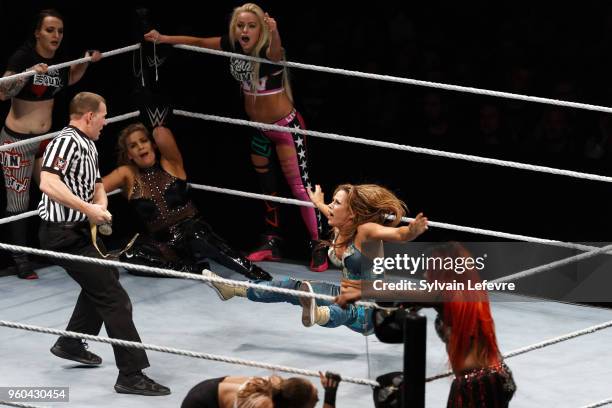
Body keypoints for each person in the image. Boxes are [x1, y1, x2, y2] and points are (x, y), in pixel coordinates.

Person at [143, 3, 328, 272]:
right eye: (241, 25)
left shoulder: (267, 49)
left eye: (251, 25)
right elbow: (198, 41)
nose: (244, 30)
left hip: (285, 128)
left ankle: (318, 244)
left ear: (261, 29)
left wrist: (274, 31)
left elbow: (277, 54)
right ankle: (272, 242)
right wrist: (165, 38)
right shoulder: (232, 45)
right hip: (258, 129)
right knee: (266, 185)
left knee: (299, 188)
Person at [37, 92, 169, 396]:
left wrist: (100, 208)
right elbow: (48, 183)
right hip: (61, 234)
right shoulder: (66, 141)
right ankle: (131, 375)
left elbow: (97, 186)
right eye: (103, 115)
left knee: (105, 278)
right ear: (88, 116)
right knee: (115, 299)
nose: (105, 121)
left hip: (79, 230)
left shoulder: (88, 145)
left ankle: (70, 342)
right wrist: (88, 210)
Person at [204, 183, 428, 335]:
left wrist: (412, 232)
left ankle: (318, 314)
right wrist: (317, 201)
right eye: (332, 201)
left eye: (336, 203)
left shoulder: (366, 231)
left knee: (346, 309)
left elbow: (399, 234)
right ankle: (233, 289)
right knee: (291, 287)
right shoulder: (341, 225)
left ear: (351, 213)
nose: (330, 207)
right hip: (343, 295)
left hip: (370, 311)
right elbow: (328, 211)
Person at [336, 242, 517, 407]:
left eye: (429, 270)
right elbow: (416, 298)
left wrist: (362, 290)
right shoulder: (467, 294)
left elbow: (405, 291)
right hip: (495, 375)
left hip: (477, 384)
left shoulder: (450, 294)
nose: (424, 275)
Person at [0, 9, 101, 279]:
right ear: (37, 32)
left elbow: (69, 79)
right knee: (18, 201)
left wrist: (86, 61)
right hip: (17, 141)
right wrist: (27, 73)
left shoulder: (60, 57)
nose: (56, 35)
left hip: (45, 140)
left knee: (58, 190)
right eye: (50, 30)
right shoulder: (23, 56)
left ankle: (65, 246)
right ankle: (20, 260)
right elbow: (2, 92)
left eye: (59, 31)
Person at [102, 122, 272, 281]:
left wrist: (152, 117)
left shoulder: (170, 163)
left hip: (193, 231)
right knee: (129, 256)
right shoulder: (128, 174)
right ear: (129, 155)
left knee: (198, 234)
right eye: (133, 146)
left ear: (152, 144)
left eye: (143, 141)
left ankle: (255, 273)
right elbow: (97, 187)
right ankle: (193, 270)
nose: (140, 147)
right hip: (165, 245)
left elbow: (161, 133)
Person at [181, 372, 341, 408]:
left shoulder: (282, 388)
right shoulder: (261, 405)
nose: (318, 401)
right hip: (201, 404)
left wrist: (330, 392)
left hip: (211, 388)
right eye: (315, 400)